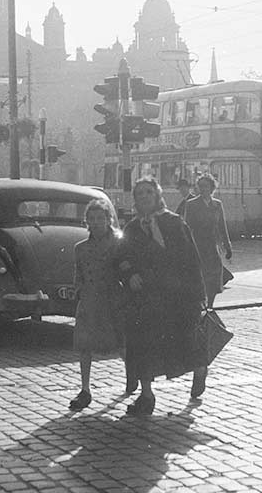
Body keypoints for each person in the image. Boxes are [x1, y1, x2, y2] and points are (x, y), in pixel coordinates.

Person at [116, 177, 206, 415]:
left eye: (148, 192)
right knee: (141, 346)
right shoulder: (132, 228)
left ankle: (199, 369)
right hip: (144, 298)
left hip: (174, 297)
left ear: (157, 196)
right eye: (139, 194)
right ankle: (146, 396)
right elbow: (121, 259)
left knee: (184, 339)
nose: (144, 197)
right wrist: (130, 275)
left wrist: (198, 294)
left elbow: (191, 260)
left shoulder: (174, 223)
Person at [68, 199, 123, 411]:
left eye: (100, 218)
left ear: (109, 219)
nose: (96, 222)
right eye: (91, 219)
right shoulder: (80, 248)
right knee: (85, 345)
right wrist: (79, 289)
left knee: (121, 343)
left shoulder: (118, 243)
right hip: (90, 301)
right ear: (86, 222)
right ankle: (85, 389)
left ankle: (131, 377)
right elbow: (78, 274)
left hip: (112, 300)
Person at [183, 173, 232, 306]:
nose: (203, 189)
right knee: (201, 276)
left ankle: (210, 304)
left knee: (215, 276)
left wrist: (228, 246)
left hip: (212, 246)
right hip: (198, 245)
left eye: (206, 186)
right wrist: (186, 247)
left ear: (212, 188)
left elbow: (222, 226)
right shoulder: (191, 204)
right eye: (201, 186)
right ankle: (202, 303)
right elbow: (187, 227)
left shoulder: (217, 204)